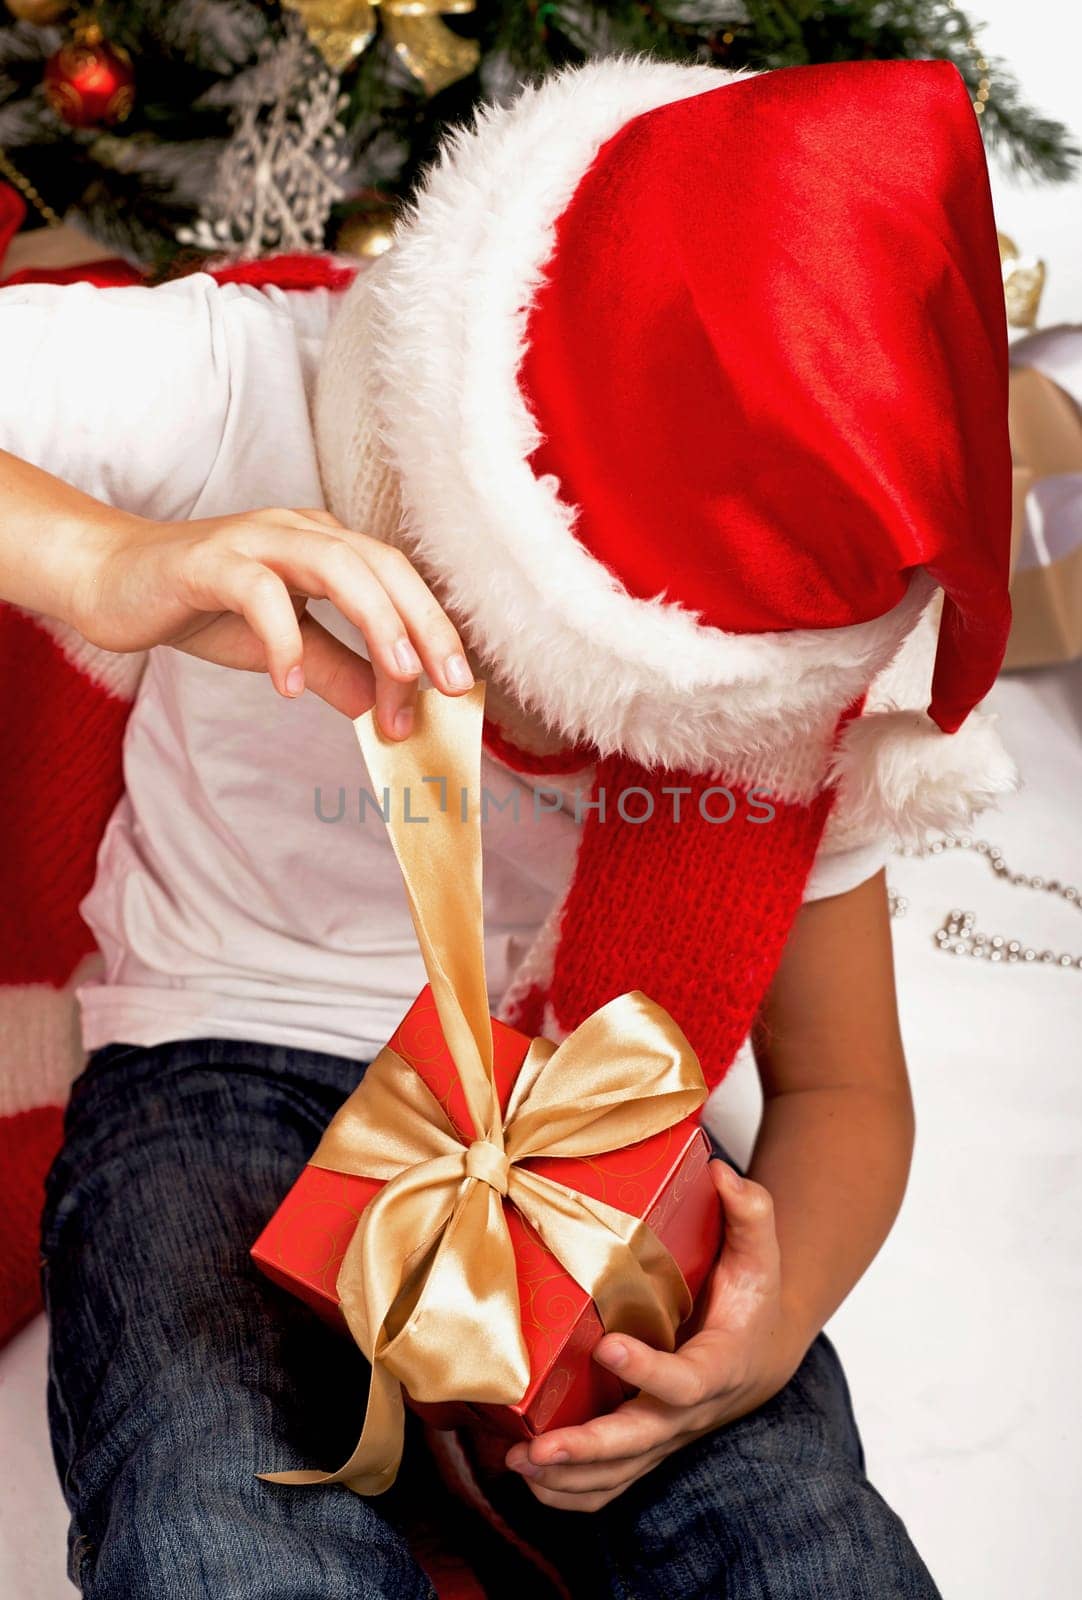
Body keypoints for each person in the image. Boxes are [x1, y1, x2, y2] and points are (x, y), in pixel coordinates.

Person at [0, 55, 1016, 1600]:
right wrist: (105, 563)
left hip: (594, 1127)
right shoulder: (245, 382)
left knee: (796, 1537)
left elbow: (843, 1090)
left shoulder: (793, 675)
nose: (535, 742)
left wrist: (767, 1320)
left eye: (621, 727)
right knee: (215, 1512)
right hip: (227, 1071)